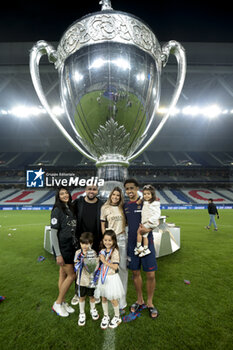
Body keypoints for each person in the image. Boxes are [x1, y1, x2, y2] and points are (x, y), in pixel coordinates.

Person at [124, 179, 159, 319]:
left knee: (150, 274)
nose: (129, 191)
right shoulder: (125, 206)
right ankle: (140, 300)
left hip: (147, 243)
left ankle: (150, 303)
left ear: (137, 188)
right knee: (135, 273)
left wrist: (148, 228)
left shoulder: (146, 202)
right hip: (132, 244)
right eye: (127, 189)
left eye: (132, 188)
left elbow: (156, 218)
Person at [71, 185, 104, 305]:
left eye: (94, 189)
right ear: (85, 190)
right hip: (81, 242)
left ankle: (94, 293)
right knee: (80, 269)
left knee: (95, 269)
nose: (91, 191)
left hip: (96, 242)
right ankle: (78, 292)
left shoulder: (102, 204)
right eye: (89, 189)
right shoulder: (78, 202)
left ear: (97, 191)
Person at [51, 186, 77, 317]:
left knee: (63, 274)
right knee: (72, 275)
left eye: (66, 193)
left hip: (71, 246)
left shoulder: (70, 208)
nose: (65, 195)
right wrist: (58, 254)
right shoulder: (57, 210)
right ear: (58, 196)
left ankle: (63, 302)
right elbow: (53, 233)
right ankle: (58, 302)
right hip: (63, 247)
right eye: (62, 193)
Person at [100, 186, 128, 309]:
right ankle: (109, 296)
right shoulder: (105, 208)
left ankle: (122, 300)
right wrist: (105, 240)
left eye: (118, 195)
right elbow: (102, 225)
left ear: (120, 197)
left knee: (122, 269)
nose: (115, 197)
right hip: (110, 241)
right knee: (109, 270)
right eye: (114, 195)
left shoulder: (122, 207)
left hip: (121, 240)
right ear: (110, 195)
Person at [94, 230, 125, 329]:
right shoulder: (102, 251)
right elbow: (99, 264)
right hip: (103, 278)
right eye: (105, 240)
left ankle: (117, 317)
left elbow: (115, 267)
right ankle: (106, 316)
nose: (107, 242)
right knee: (103, 297)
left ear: (114, 241)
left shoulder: (115, 251)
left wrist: (104, 261)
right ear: (103, 240)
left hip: (112, 278)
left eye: (110, 240)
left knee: (112, 298)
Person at [74, 232, 99, 326]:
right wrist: (81, 260)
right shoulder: (77, 253)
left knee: (92, 297)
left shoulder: (93, 253)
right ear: (80, 243)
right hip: (81, 281)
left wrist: (88, 261)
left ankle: (93, 310)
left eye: (87, 243)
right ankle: (82, 313)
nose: (85, 245)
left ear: (91, 244)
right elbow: (75, 265)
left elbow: (95, 267)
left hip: (90, 281)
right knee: (81, 297)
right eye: (83, 243)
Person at [135, 185, 161, 257]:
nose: (146, 196)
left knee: (139, 232)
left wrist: (150, 221)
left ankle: (139, 247)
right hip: (147, 222)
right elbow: (141, 200)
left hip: (151, 222)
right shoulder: (146, 202)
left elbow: (157, 214)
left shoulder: (154, 203)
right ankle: (146, 249)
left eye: (148, 194)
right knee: (144, 236)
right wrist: (140, 199)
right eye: (145, 194)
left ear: (152, 194)